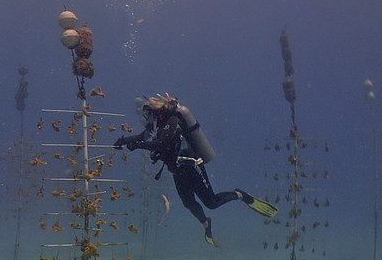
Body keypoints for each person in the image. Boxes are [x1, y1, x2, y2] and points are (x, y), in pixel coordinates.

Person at [113, 93, 276, 246]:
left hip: (192, 167)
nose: (148, 120)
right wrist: (124, 141)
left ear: (156, 111)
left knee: (211, 202)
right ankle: (206, 223)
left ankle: (240, 195)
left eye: (149, 115)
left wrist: (138, 146)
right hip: (177, 171)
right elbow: (143, 137)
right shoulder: (160, 124)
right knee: (189, 203)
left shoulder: (173, 121)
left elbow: (161, 143)